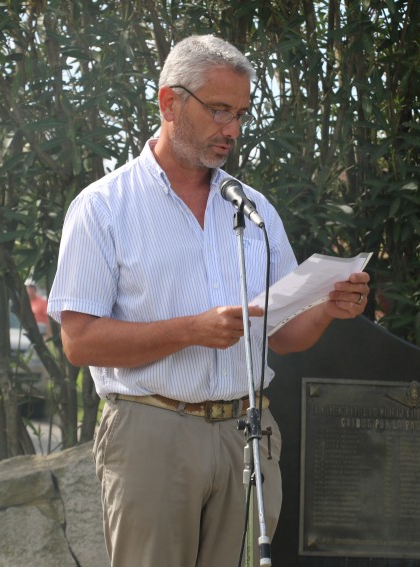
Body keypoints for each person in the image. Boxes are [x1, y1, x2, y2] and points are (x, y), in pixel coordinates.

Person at [47, 34, 370, 567]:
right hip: (153, 432)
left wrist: (328, 308)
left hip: (249, 433)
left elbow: (286, 336)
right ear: (169, 102)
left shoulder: (254, 209)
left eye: (241, 114)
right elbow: (79, 342)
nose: (232, 130)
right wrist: (191, 330)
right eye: (219, 110)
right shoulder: (103, 208)